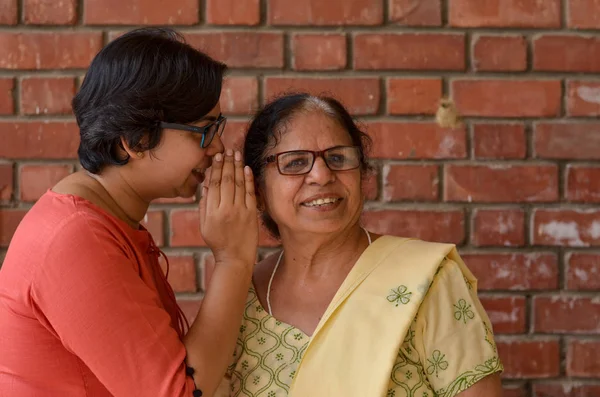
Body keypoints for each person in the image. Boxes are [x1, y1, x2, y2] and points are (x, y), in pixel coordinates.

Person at [0, 28, 258, 397]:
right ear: (135, 140)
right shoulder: (75, 238)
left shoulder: (104, 219)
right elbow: (179, 392)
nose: (217, 148)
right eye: (202, 131)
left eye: (218, 127)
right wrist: (233, 258)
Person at [219, 93, 504, 397]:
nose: (321, 175)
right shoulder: (239, 298)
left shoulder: (428, 281)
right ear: (258, 190)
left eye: (338, 158)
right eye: (296, 162)